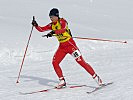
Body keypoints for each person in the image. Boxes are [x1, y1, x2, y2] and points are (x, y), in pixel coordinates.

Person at [32, 8, 103, 89]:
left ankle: (97, 78)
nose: (50, 18)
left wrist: (53, 32)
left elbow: (62, 29)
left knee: (81, 62)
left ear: (56, 16)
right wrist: (36, 25)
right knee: (55, 62)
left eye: (52, 17)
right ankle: (62, 81)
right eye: (50, 17)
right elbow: (41, 29)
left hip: (70, 45)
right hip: (62, 47)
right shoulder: (52, 25)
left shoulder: (62, 21)